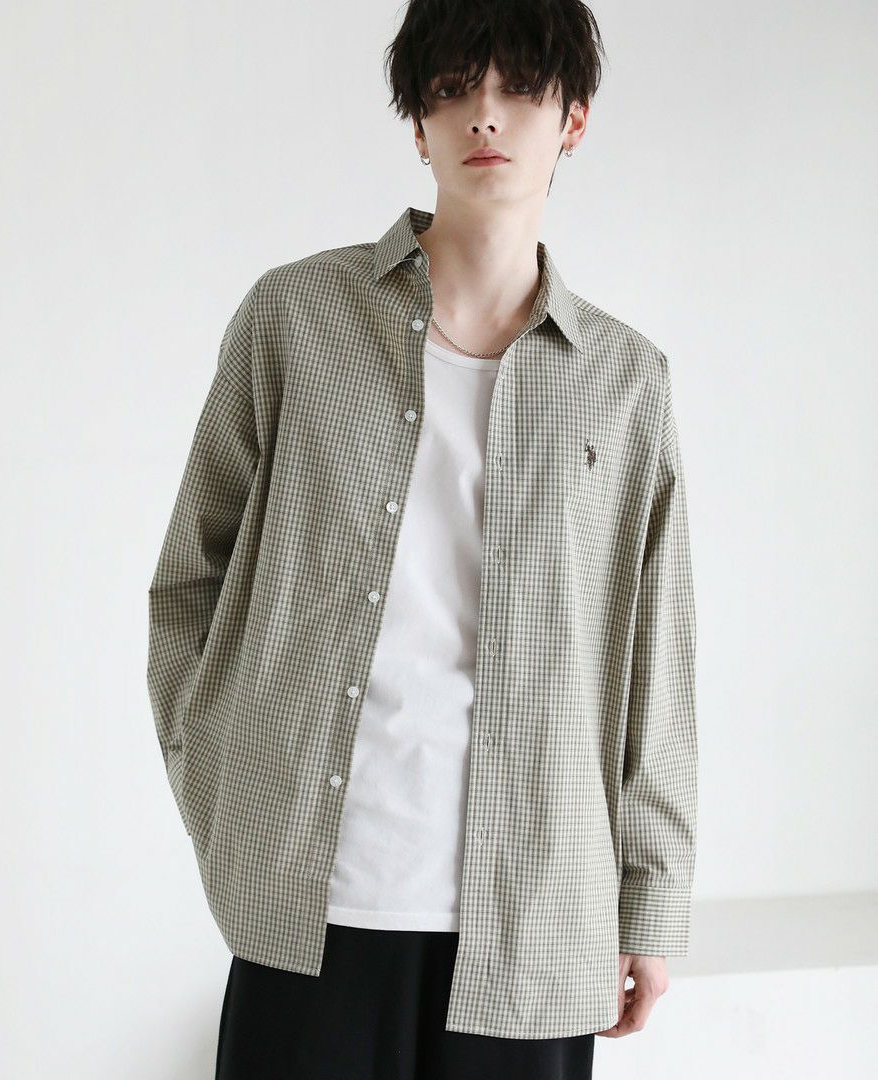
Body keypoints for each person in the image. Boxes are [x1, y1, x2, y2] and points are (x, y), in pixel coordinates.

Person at [146, 1, 698, 1077]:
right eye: (452, 88)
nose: (484, 114)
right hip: (308, 907)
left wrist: (652, 899)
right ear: (418, 123)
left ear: (574, 118)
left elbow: (656, 665)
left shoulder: (626, 381)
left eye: (519, 88)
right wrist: (221, 784)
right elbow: (188, 582)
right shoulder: (296, 319)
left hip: (534, 917)